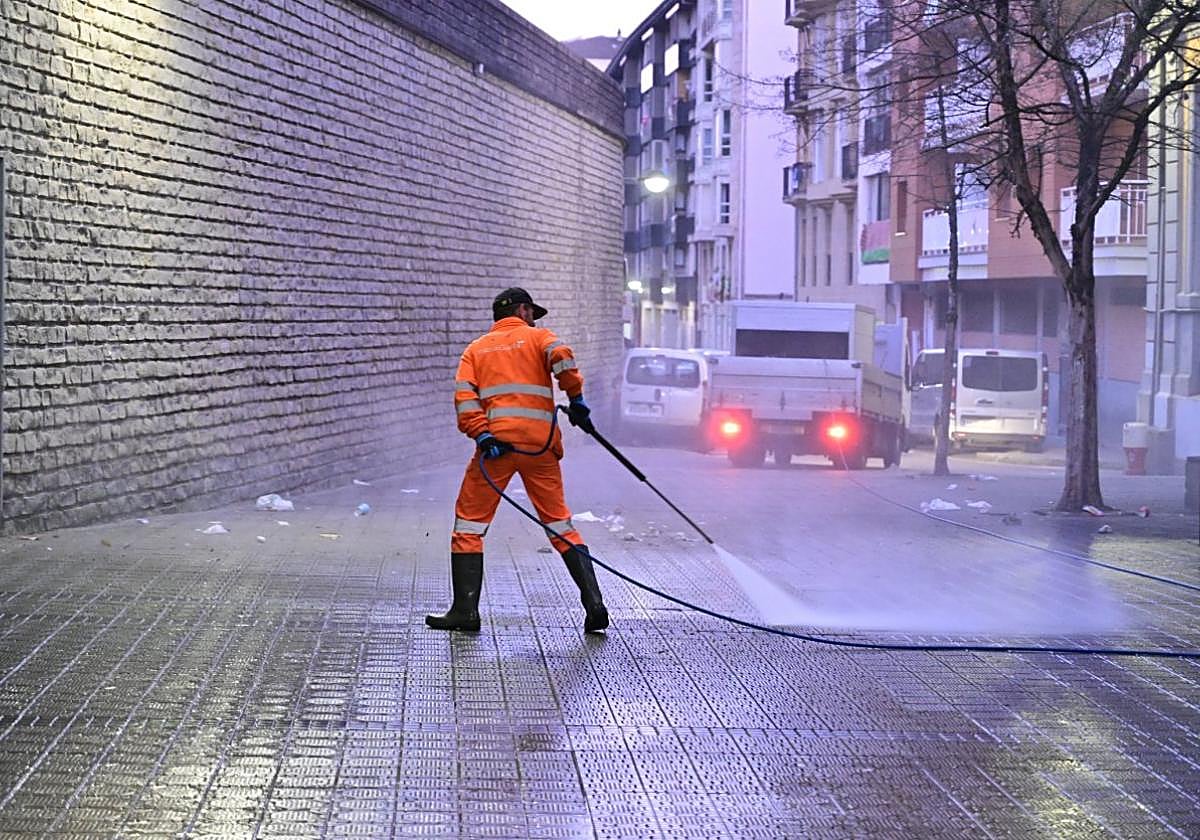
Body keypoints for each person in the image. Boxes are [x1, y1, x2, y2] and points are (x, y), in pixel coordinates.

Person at [425, 287, 609, 634]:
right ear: (523, 310)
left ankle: (465, 612)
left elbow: (465, 398)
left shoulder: (475, 350)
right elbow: (564, 359)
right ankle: (594, 603)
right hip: (540, 447)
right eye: (532, 312)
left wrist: (481, 433)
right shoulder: (540, 338)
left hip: (497, 448)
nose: (533, 318)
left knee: (469, 524)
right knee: (559, 523)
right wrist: (577, 399)